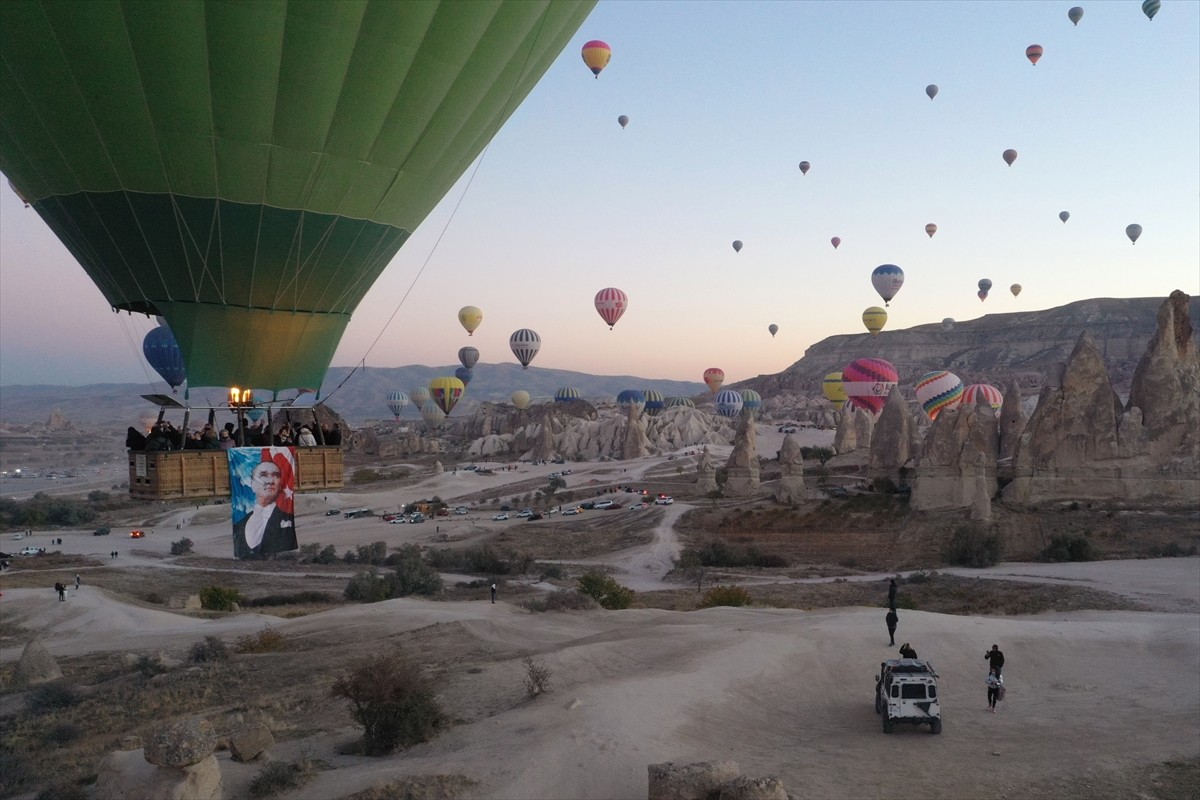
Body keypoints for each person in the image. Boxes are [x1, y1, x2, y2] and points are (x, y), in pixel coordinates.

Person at [233, 459, 297, 559]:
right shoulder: (239, 525)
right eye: (263, 475)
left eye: (276, 475)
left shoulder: (287, 520)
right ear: (252, 485)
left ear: (280, 485)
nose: (270, 481)